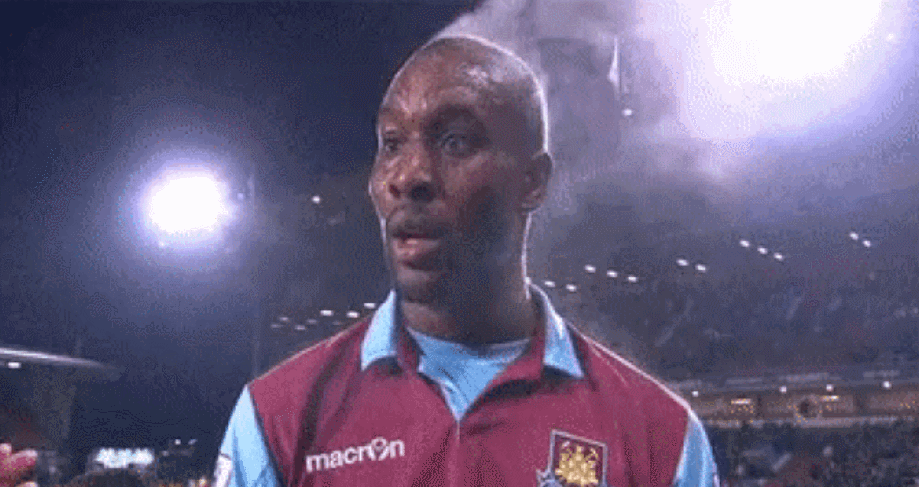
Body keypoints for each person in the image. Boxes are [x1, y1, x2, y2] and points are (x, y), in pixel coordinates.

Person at [215, 34, 718, 487]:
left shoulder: (661, 438)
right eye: (392, 144)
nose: (407, 176)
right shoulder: (277, 419)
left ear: (532, 182)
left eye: (455, 142)